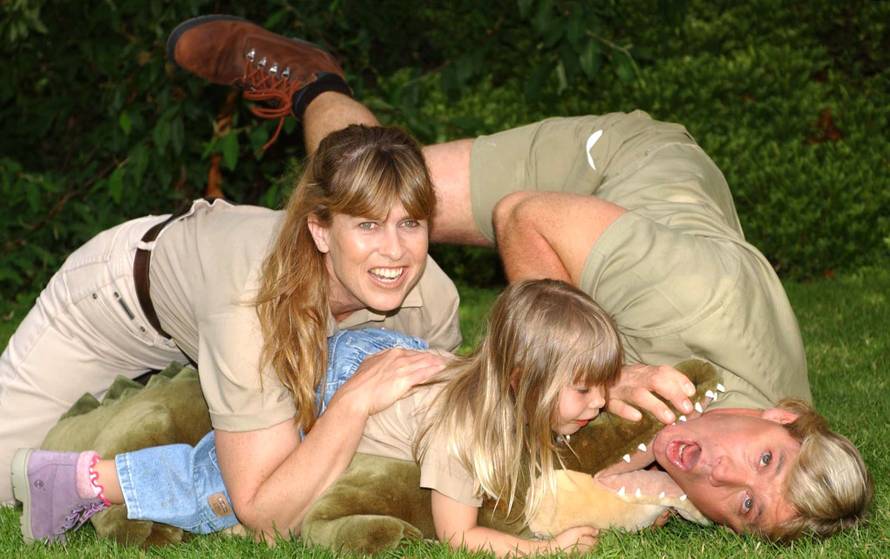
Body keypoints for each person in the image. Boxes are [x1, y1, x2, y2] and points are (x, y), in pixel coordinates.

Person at [155, 15, 871, 539]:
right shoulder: (701, 295)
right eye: (764, 457)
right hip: (603, 175)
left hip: (648, 258)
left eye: (745, 505)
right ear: (782, 413)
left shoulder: (713, 474)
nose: (721, 473)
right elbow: (525, 218)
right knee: (375, 192)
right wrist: (605, 368)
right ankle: (312, 79)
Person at [0, 122, 463, 534]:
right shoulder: (255, 301)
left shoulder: (431, 295)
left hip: (220, 329)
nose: (395, 251)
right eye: (368, 225)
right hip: (117, 308)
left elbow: (437, 424)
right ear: (320, 230)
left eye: (410, 223)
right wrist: (355, 400)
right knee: (5, 485)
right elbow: (262, 509)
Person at [17, 279, 622, 556]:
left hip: (375, 356)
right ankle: (71, 480)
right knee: (230, 485)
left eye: (602, 389)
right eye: (584, 390)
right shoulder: (464, 434)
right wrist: (547, 550)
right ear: (522, 382)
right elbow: (459, 534)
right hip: (333, 385)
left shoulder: (498, 393)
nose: (597, 404)